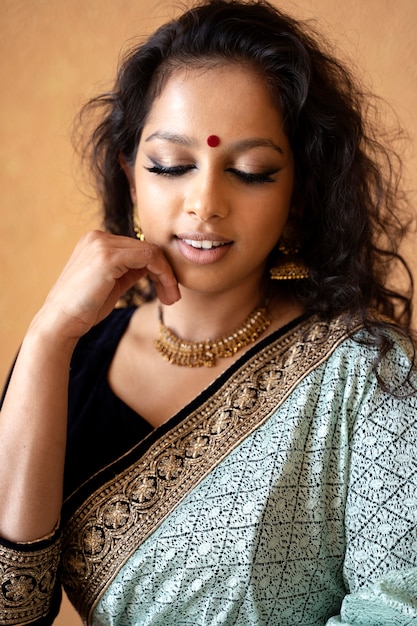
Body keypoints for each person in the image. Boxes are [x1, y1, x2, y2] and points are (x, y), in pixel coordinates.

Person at [1, 0, 416, 624]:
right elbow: (11, 609)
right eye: (171, 165)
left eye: (251, 172)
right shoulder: (72, 360)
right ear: (130, 173)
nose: (205, 203)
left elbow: (396, 611)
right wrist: (48, 335)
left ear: (299, 194)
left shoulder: (372, 377)